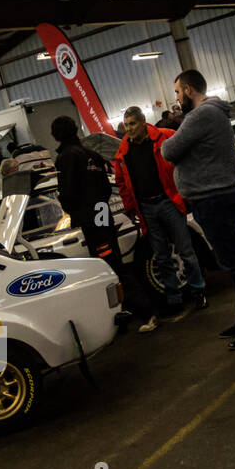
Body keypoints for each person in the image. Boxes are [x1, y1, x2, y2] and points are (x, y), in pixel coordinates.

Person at [160, 70, 235, 351]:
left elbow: (168, 150)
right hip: (218, 197)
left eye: (178, 92)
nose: (176, 98)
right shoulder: (214, 113)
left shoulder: (200, 115)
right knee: (233, 262)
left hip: (212, 199)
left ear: (190, 89)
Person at [52, 115, 153, 331]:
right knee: (111, 263)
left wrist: (72, 209)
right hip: (101, 213)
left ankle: (147, 312)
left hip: (91, 219)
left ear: (56, 135)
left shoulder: (67, 157)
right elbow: (107, 186)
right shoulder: (92, 154)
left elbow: (68, 192)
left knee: (111, 267)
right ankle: (125, 313)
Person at [111, 105, 206, 319]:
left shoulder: (165, 137)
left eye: (133, 124)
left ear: (143, 122)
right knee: (161, 256)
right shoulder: (123, 151)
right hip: (146, 209)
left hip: (168, 203)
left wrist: (185, 192)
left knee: (185, 250)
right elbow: (121, 182)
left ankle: (198, 290)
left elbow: (187, 157)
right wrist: (130, 208)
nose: (129, 129)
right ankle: (174, 299)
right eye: (126, 125)